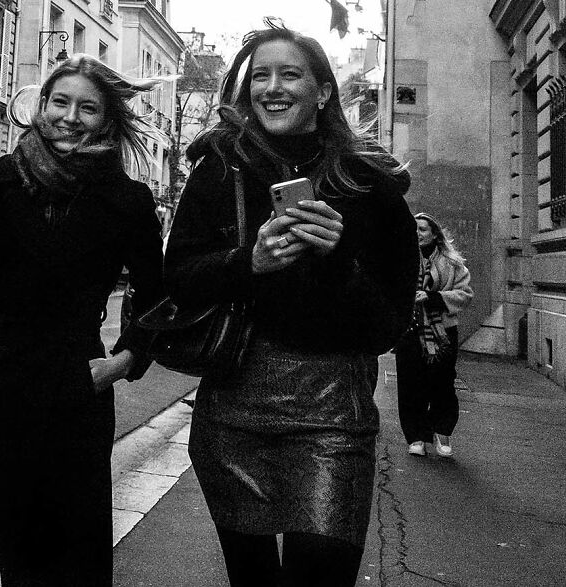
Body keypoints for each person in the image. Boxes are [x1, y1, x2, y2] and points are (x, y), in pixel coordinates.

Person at [163, 22, 417, 587]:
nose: (272, 88)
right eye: (260, 76)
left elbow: (387, 324)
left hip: (332, 414)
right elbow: (177, 279)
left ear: (323, 92)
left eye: (290, 74)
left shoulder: (369, 183)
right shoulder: (219, 168)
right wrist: (246, 262)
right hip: (233, 409)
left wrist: (335, 257)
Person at [0, 54, 164, 585]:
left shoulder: (126, 198)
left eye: (87, 107)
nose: (70, 116)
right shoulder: (1, 179)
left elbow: (157, 291)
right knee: (10, 540)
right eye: (60, 102)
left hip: (76, 387)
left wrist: (125, 360)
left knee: (76, 550)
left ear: (106, 119)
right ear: (42, 106)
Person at [395, 212, 473, 458]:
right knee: (410, 383)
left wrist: (434, 298)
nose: (418, 234)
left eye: (423, 229)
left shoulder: (452, 262)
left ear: (434, 234)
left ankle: (442, 431)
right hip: (410, 329)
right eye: (415, 229)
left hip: (443, 331)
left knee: (442, 382)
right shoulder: (402, 258)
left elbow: (465, 294)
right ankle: (416, 436)